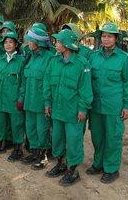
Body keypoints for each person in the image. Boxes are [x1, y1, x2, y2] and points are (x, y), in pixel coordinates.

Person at [87, 22, 128, 183]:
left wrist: (127, 105)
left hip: (114, 106)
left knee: (113, 138)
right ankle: (98, 163)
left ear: (116, 38)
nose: (106, 39)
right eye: (104, 36)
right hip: (95, 106)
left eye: (109, 36)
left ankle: (111, 169)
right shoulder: (93, 56)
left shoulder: (123, 58)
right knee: (97, 137)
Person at [43, 29, 93, 186]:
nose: (56, 44)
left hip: (73, 111)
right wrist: (47, 103)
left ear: (66, 45)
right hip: (57, 109)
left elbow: (85, 90)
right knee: (57, 138)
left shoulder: (81, 63)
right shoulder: (54, 61)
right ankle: (61, 164)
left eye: (58, 42)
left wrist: (83, 109)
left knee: (73, 141)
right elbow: (47, 83)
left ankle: (73, 170)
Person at [0, 31, 26, 161]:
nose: (8, 45)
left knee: (16, 124)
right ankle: (0, 144)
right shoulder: (0, 60)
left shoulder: (21, 61)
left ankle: (18, 149)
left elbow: (23, 83)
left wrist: (21, 98)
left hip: (14, 100)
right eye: (6, 42)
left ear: (16, 44)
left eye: (11, 42)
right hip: (0, 98)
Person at [20, 26, 53, 169]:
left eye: (31, 40)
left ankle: (43, 156)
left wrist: (48, 103)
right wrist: (21, 98)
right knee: (30, 128)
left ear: (38, 42)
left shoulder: (49, 58)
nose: (28, 43)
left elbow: (50, 83)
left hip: (41, 102)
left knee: (42, 129)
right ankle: (34, 152)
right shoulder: (29, 56)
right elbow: (24, 80)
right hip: (29, 100)